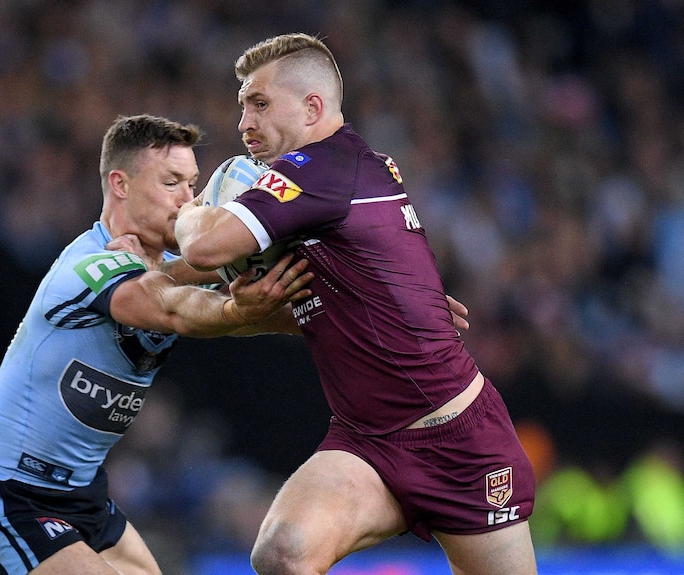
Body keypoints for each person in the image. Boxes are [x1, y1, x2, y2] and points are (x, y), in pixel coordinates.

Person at [175, 33, 538, 575]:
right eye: (242, 107)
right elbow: (198, 272)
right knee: (281, 553)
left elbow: (202, 247)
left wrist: (191, 209)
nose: (243, 123)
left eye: (259, 103)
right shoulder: (334, 175)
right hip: (368, 443)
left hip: (461, 445)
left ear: (313, 106)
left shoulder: (319, 169)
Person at [0, 114, 315, 575]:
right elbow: (174, 308)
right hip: (10, 500)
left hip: (86, 500)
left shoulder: (167, 264)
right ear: (120, 184)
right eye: (171, 182)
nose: (188, 199)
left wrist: (329, 312)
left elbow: (213, 295)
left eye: (193, 183)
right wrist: (238, 309)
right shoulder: (86, 266)